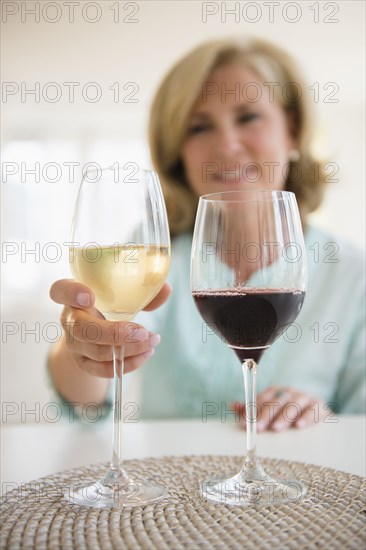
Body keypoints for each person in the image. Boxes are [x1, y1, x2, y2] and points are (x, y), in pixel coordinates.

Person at [49, 37, 365, 430]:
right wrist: (83, 343)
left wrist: (324, 420)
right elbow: (88, 404)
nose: (227, 145)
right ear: (178, 153)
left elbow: (358, 426)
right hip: (168, 484)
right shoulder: (153, 256)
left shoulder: (352, 272)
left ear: (292, 131)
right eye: (199, 127)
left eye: (248, 117)